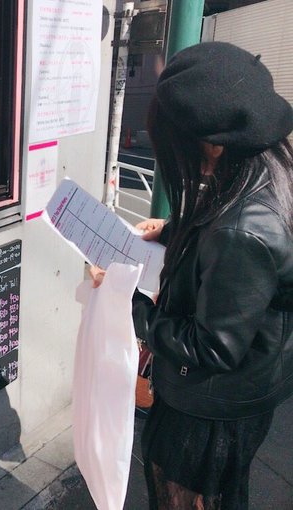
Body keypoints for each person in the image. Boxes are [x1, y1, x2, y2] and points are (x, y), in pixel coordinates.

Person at [91, 41, 293, 509]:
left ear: (213, 144)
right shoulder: (267, 174)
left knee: (188, 493)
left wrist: (130, 302)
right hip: (251, 386)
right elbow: (227, 229)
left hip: (211, 407)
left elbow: (212, 348)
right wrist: (171, 229)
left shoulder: (242, 230)